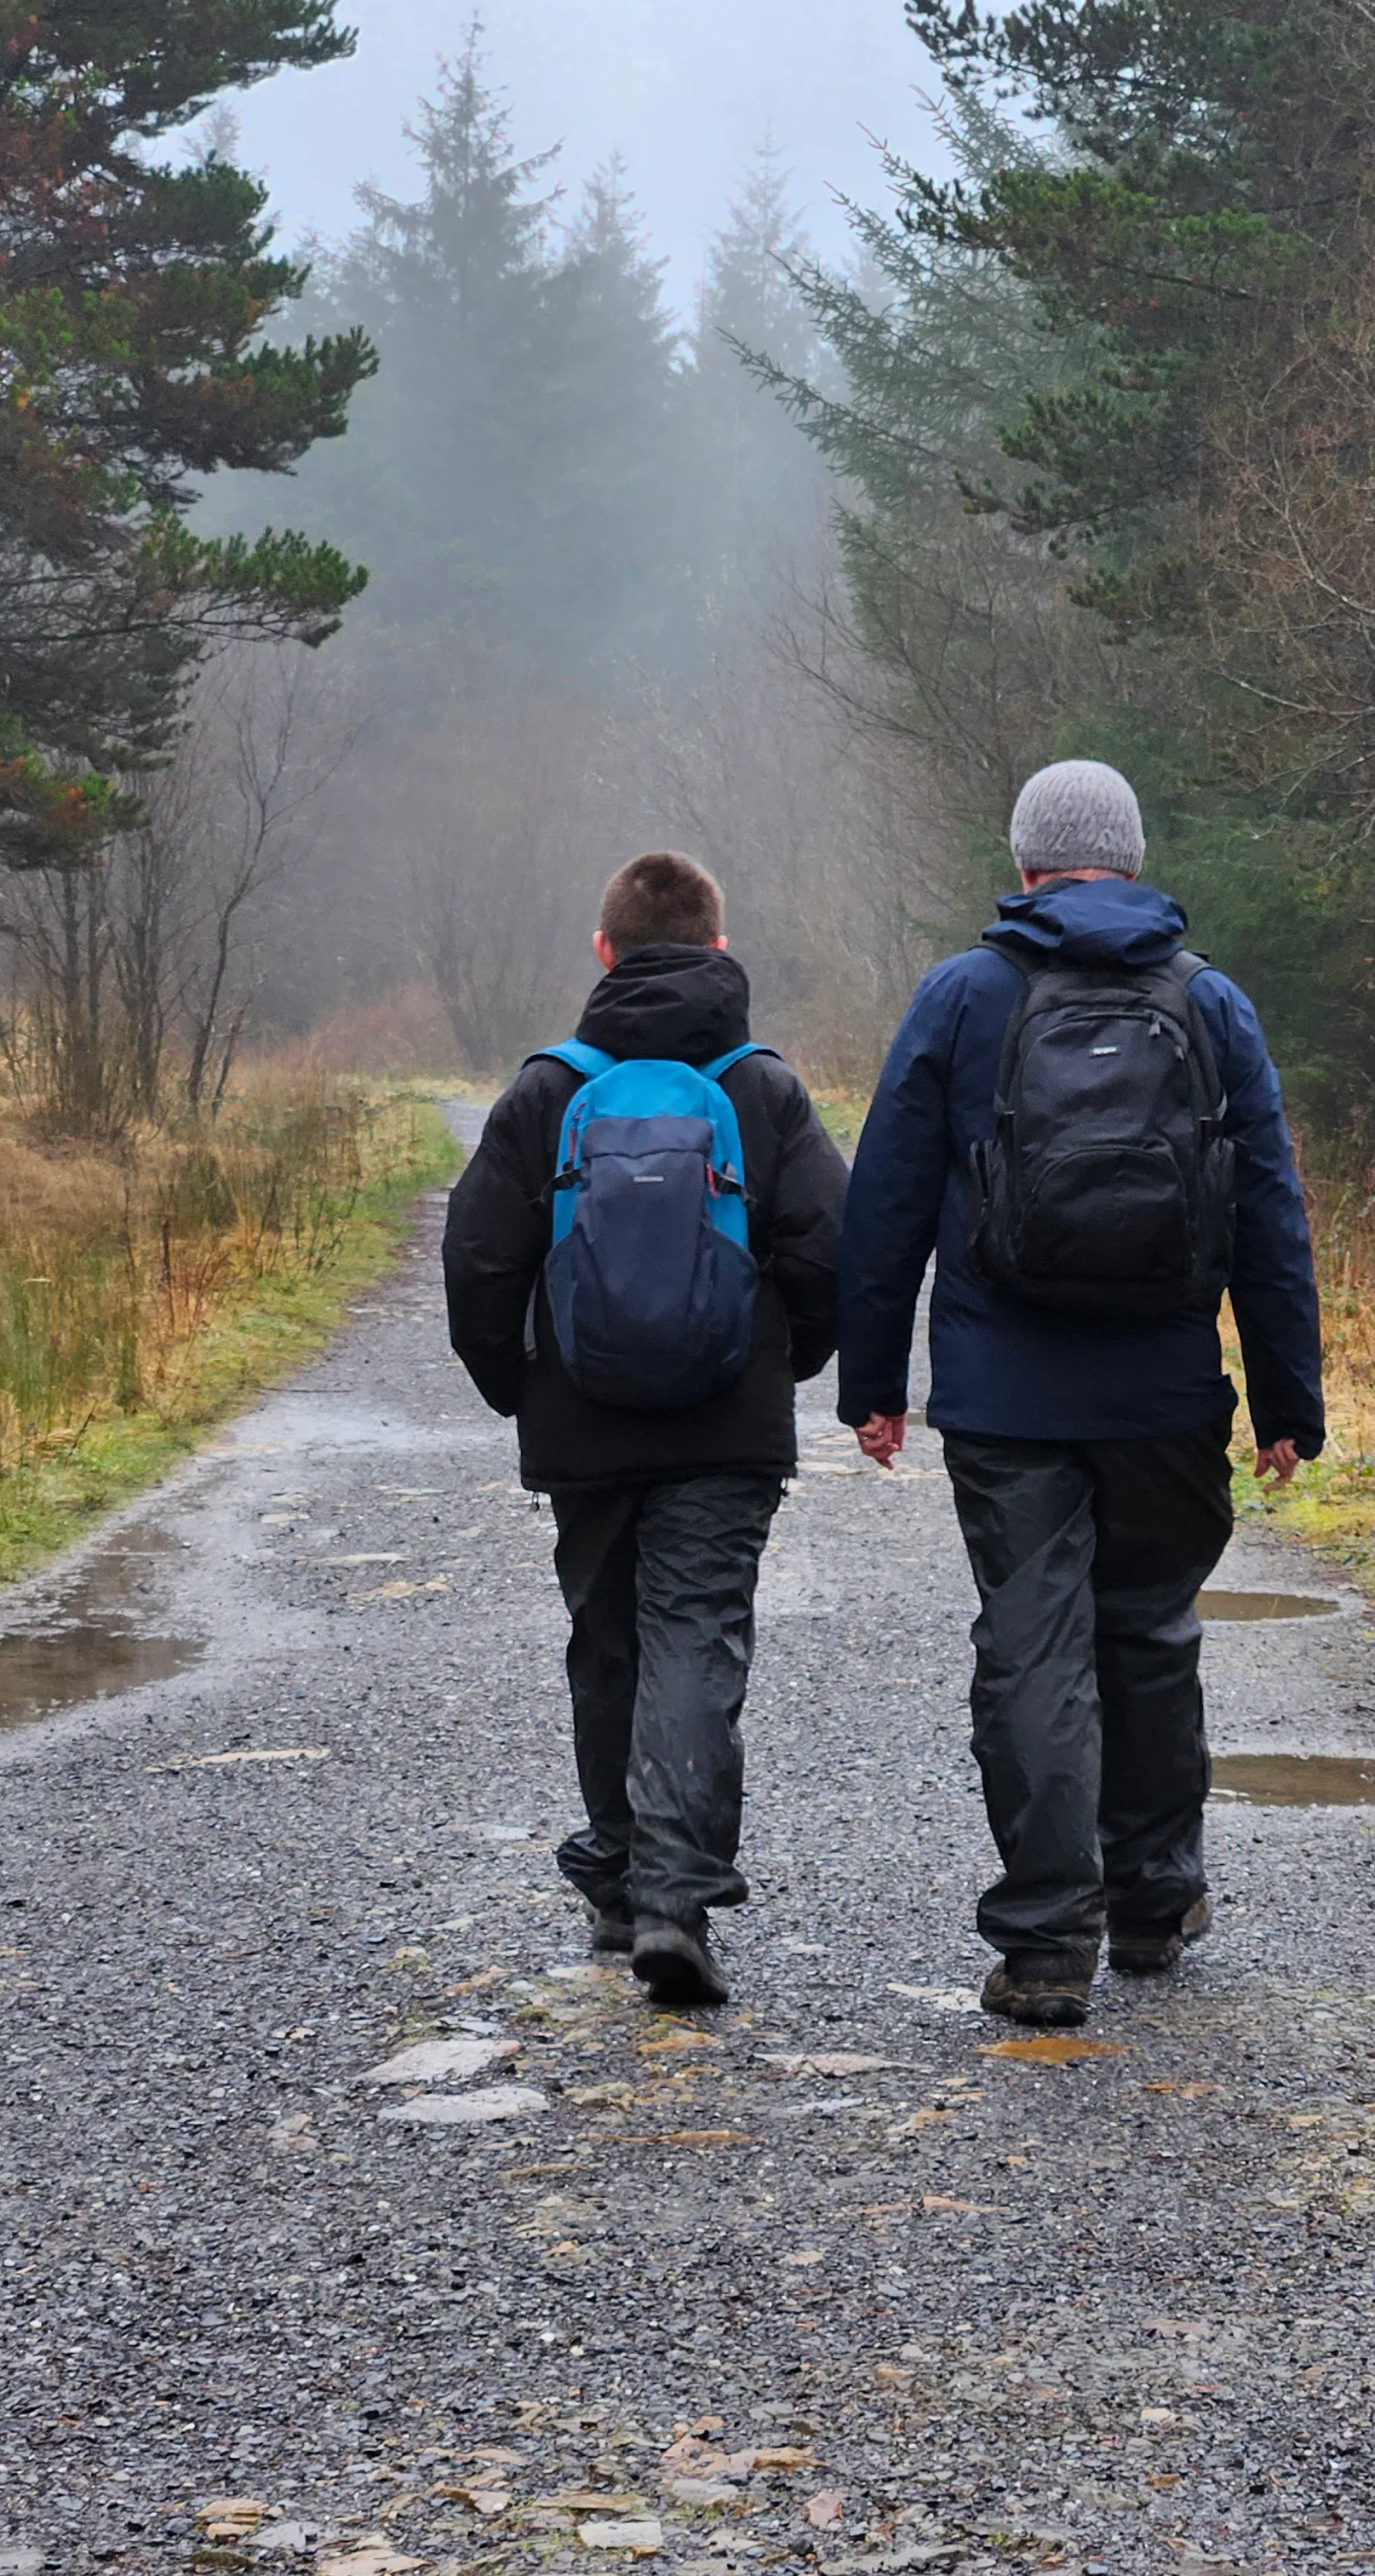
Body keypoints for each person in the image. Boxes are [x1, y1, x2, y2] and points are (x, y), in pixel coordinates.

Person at [836, 759, 1326, 2024]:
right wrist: (1287, 1398)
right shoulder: (1210, 1003)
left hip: (1008, 1399)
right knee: (1150, 1632)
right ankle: (1156, 1903)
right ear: (1134, 853)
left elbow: (886, 1204)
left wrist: (875, 1385)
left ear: (1026, 865)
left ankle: (1050, 1945)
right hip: (1166, 1391)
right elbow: (1269, 1213)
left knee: (1032, 1651)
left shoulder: (962, 996)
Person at [442, 850, 845, 2006]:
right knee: (697, 1640)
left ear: (603, 950)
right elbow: (828, 1247)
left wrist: (517, 1386)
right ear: (722, 951)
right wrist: (790, 1362)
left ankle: (622, 1883)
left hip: (586, 1418)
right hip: (729, 1422)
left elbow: (477, 1256)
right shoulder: (761, 1087)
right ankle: (675, 1896)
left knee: (607, 1639)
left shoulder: (548, 1090)